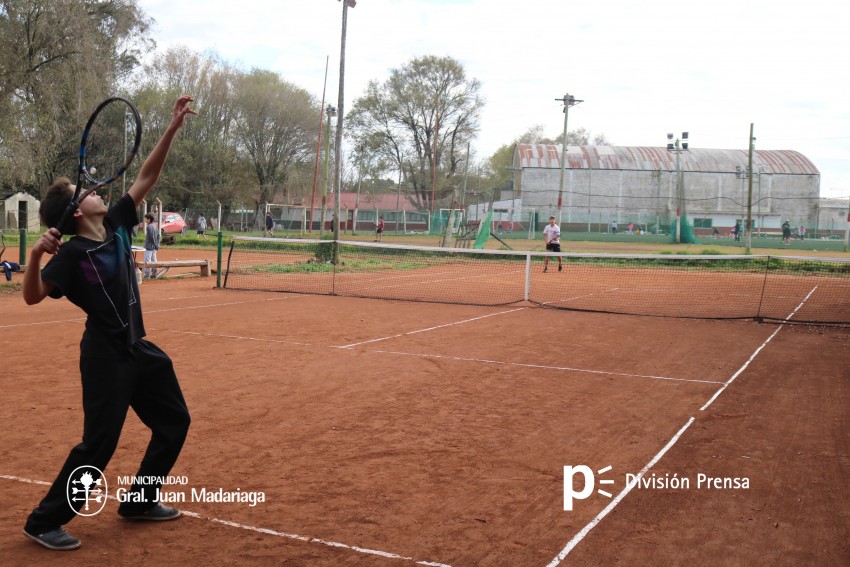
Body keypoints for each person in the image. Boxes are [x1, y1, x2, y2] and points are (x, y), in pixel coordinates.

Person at [21, 95, 196, 551]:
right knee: (98, 446)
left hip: (138, 348)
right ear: (78, 212)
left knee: (174, 420)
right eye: (90, 191)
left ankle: (139, 501)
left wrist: (173, 127)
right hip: (105, 357)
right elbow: (33, 296)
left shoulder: (117, 222)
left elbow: (147, 176)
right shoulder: (72, 256)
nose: (99, 189)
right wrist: (36, 256)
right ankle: (43, 522)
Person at [143, 213, 159, 279]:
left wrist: (155, 244)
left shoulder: (149, 226)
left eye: (146, 218)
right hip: (154, 248)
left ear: (149, 219)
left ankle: (146, 275)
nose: (145, 220)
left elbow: (152, 237)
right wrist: (157, 245)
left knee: (147, 261)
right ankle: (154, 274)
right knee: (154, 261)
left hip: (149, 247)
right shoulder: (155, 226)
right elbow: (158, 236)